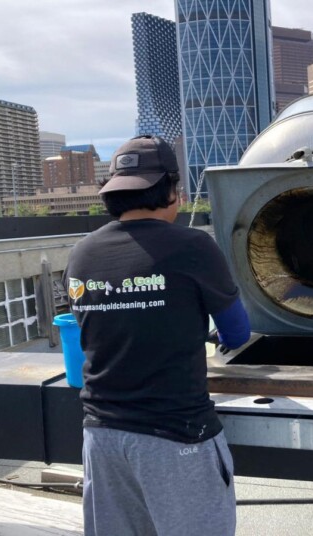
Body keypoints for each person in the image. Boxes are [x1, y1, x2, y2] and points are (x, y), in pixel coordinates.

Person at [64, 135, 250, 536]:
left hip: (102, 438)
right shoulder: (193, 246)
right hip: (177, 436)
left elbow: (102, 332)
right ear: (171, 191)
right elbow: (237, 332)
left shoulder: (81, 253)